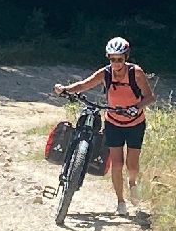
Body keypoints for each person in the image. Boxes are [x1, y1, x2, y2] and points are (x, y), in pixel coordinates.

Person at [56, 37, 154, 217]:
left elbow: (150, 97)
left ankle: (132, 183)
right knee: (117, 164)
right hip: (113, 122)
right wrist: (65, 89)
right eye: (112, 59)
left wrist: (136, 107)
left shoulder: (136, 73)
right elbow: (84, 84)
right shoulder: (105, 73)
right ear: (108, 58)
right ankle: (120, 202)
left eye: (120, 59)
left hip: (135, 123)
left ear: (126, 58)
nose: (116, 63)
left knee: (132, 165)